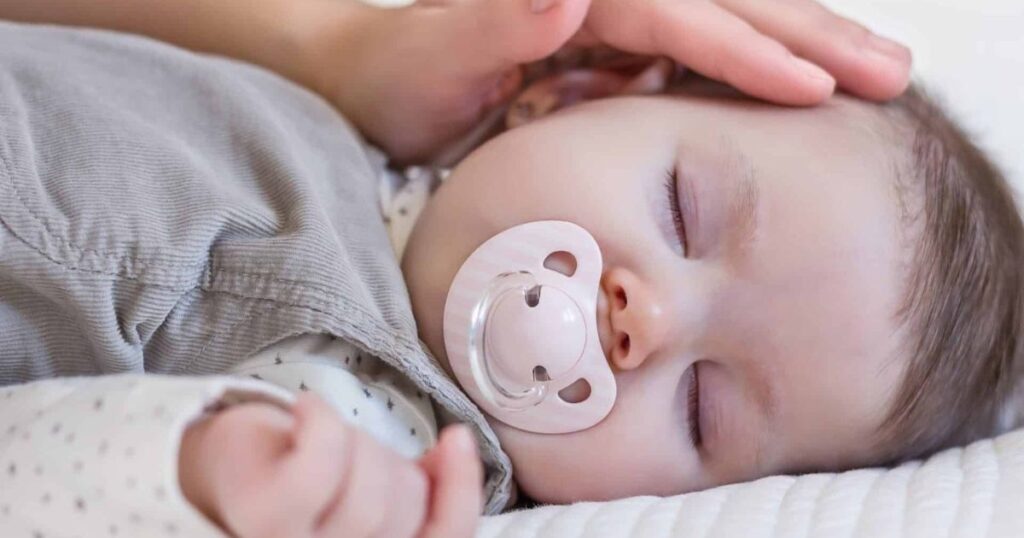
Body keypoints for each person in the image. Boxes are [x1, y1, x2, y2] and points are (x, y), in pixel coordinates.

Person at [5, 1, 1006, 537]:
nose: (642, 319)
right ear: (575, 90)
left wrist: (195, 473)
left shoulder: (373, 428)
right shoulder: (355, 118)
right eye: (680, 210)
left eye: (703, 408)